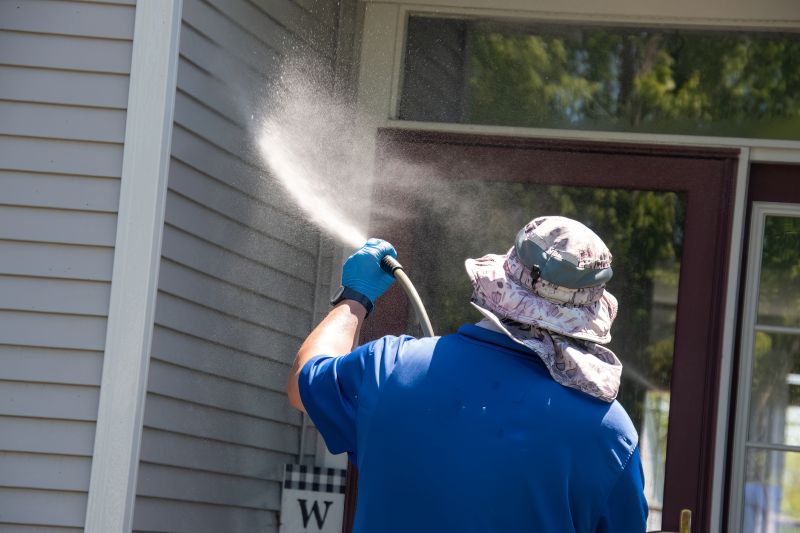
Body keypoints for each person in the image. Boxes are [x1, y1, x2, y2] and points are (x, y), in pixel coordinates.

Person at [287, 216, 648, 533]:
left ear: (500, 281)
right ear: (588, 315)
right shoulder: (609, 433)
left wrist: (357, 296)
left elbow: (304, 383)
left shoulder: (388, 367)